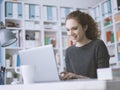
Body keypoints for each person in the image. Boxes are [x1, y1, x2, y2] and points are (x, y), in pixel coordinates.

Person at [60, 10, 110, 80]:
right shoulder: (69, 51)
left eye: (74, 28)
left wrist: (78, 77)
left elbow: (105, 80)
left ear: (85, 27)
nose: (70, 33)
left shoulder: (98, 45)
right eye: (68, 30)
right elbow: (71, 81)